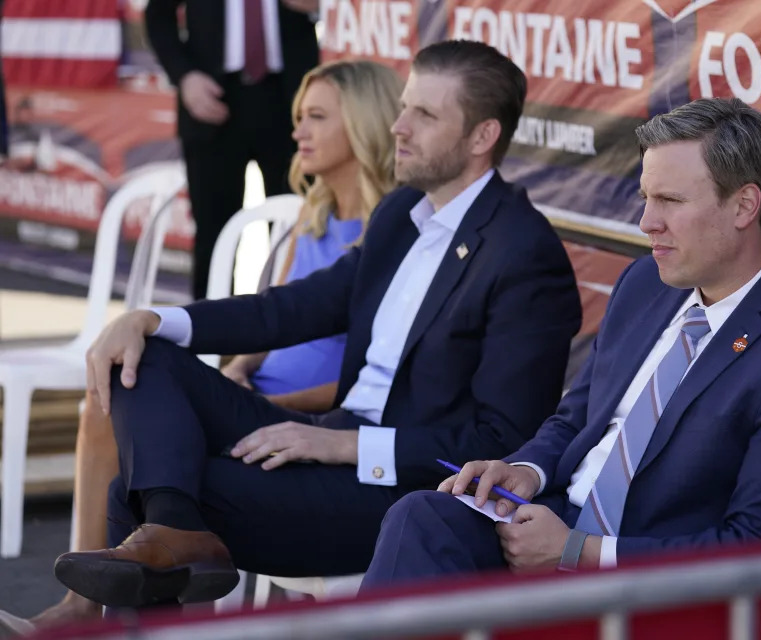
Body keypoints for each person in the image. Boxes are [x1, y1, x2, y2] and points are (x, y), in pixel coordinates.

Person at [52, 40, 582, 610]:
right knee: (149, 354)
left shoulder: (524, 253)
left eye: (425, 115)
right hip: (331, 439)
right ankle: (176, 529)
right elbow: (289, 309)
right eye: (405, 106)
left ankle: (173, 533)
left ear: (482, 137)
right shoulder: (403, 214)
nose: (398, 127)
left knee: (130, 492)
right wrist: (154, 318)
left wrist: (342, 445)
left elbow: (501, 442)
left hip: (403, 487)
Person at [359, 97, 761, 587]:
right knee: (420, 518)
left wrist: (576, 555)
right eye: (646, 197)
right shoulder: (646, 283)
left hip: (643, 578)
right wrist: (524, 471)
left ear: (744, 205)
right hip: (548, 524)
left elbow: (757, 547)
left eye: (669, 200)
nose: (647, 222)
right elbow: (576, 417)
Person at [21, 60, 402, 628]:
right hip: (253, 400)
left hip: (313, 418)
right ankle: (99, 588)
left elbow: (370, 378)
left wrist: (276, 404)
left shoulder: (393, 234)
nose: (298, 131)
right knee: (119, 384)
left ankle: (111, 590)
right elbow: (274, 315)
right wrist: (238, 369)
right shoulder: (309, 215)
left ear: (367, 125)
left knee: (136, 426)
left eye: (317, 117)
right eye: (298, 117)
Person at [144, 0, 320, 301]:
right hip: (212, 103)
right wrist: (185, 77)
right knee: (214, 237)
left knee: (296, 230)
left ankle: (291, 340)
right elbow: (157, 15)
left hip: (290, 102)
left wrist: (321, 6)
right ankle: (210, 339)